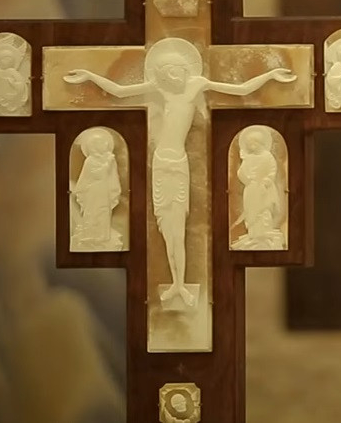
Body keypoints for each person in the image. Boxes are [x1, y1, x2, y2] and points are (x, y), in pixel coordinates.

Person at [64, 37, 295, 306]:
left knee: (179, 226)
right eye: (167, 72)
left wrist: (269, 75)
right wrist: (90, 76)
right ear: (162, 75)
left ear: (185, 70)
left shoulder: (196, 85)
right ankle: (175, 283)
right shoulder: (160, 89)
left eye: (177, 70)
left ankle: (179, 284)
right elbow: (118, 91)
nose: (174, 76)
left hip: (179, 163)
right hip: (161, 163)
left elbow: (241, 89)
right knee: (166, 225)